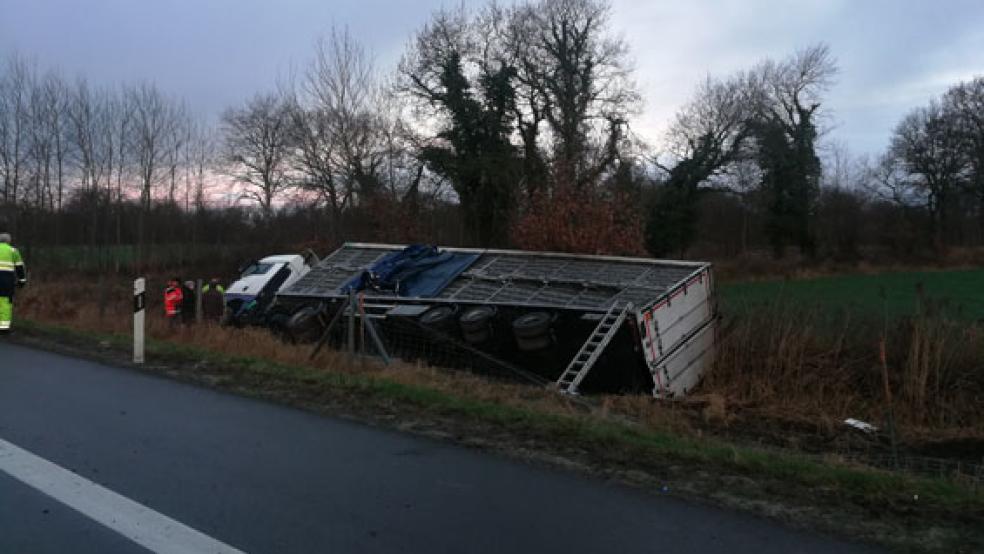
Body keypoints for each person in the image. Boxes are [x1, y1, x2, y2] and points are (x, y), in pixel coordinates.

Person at [0, 233, 27, 334]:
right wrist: (22, 281)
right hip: (6, 281)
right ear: (8, 241)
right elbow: (19, 267)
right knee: (5, 303)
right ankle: (3, 328)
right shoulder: (13, 251)